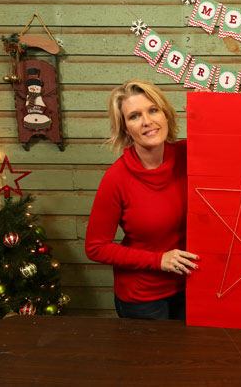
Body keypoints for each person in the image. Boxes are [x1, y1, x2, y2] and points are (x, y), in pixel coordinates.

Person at [85, 79, 199, 320]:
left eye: (153, 110)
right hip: (143, 297)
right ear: (126, 128)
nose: (147, 121)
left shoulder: (192, 154)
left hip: (193, 285)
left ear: (166, 115)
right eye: (134, 116)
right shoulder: (117, 178)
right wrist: (158, 260)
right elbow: (95, 247)